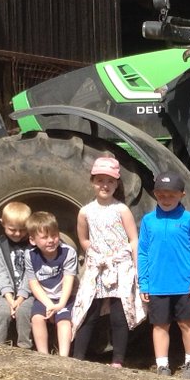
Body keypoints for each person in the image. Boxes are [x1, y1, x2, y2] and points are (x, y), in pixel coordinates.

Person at [70, 156, 144, 368]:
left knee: (119, 316)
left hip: (120, 268)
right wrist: (94, 254)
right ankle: (78, 357)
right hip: (98, 267)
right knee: (89, 312)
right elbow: (83, 238)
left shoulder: (121, 210)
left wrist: (135, 267)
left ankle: (118, 360)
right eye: (100, 180)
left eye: (110, 181)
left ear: (117, 183)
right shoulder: (86, 212)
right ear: (93, 182)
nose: (105, 185)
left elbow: (133, 239)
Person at [139, 171, 190, 377]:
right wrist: (144, 282)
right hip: (158, 284)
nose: (166, 199)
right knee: (160, 326)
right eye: (161, 194)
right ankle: (162, 365)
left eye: (171, 195)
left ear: (182, 195)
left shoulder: (188, 220)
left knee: (187, 324)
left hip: (184, 284)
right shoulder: (148, 221)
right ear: (155, 194)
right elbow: (142, 252)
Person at [24, 211, 78, 356]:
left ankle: (64, 357)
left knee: (64, 322)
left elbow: (68, 280)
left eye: (54, 235)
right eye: (44, 237)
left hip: (64, 297)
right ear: (33, 240)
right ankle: (43, 355)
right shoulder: (30, 255)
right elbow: (33, 283)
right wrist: (48, 304)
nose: (51, 240)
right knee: (37, 319)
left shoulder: (68, 253)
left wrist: (60, 304)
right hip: (44, 297)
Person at [0, 201, 34, 349]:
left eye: (23, 230)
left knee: (24, 312)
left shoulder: (32, 246)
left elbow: (31, 273)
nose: (18, 234)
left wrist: (20, 298)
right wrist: (9, 297)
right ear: (2, 223)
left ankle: (24, 347)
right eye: (12, 229)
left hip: (28, 293)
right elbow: (0, 272)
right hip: (7, 293)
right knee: (1, 313)